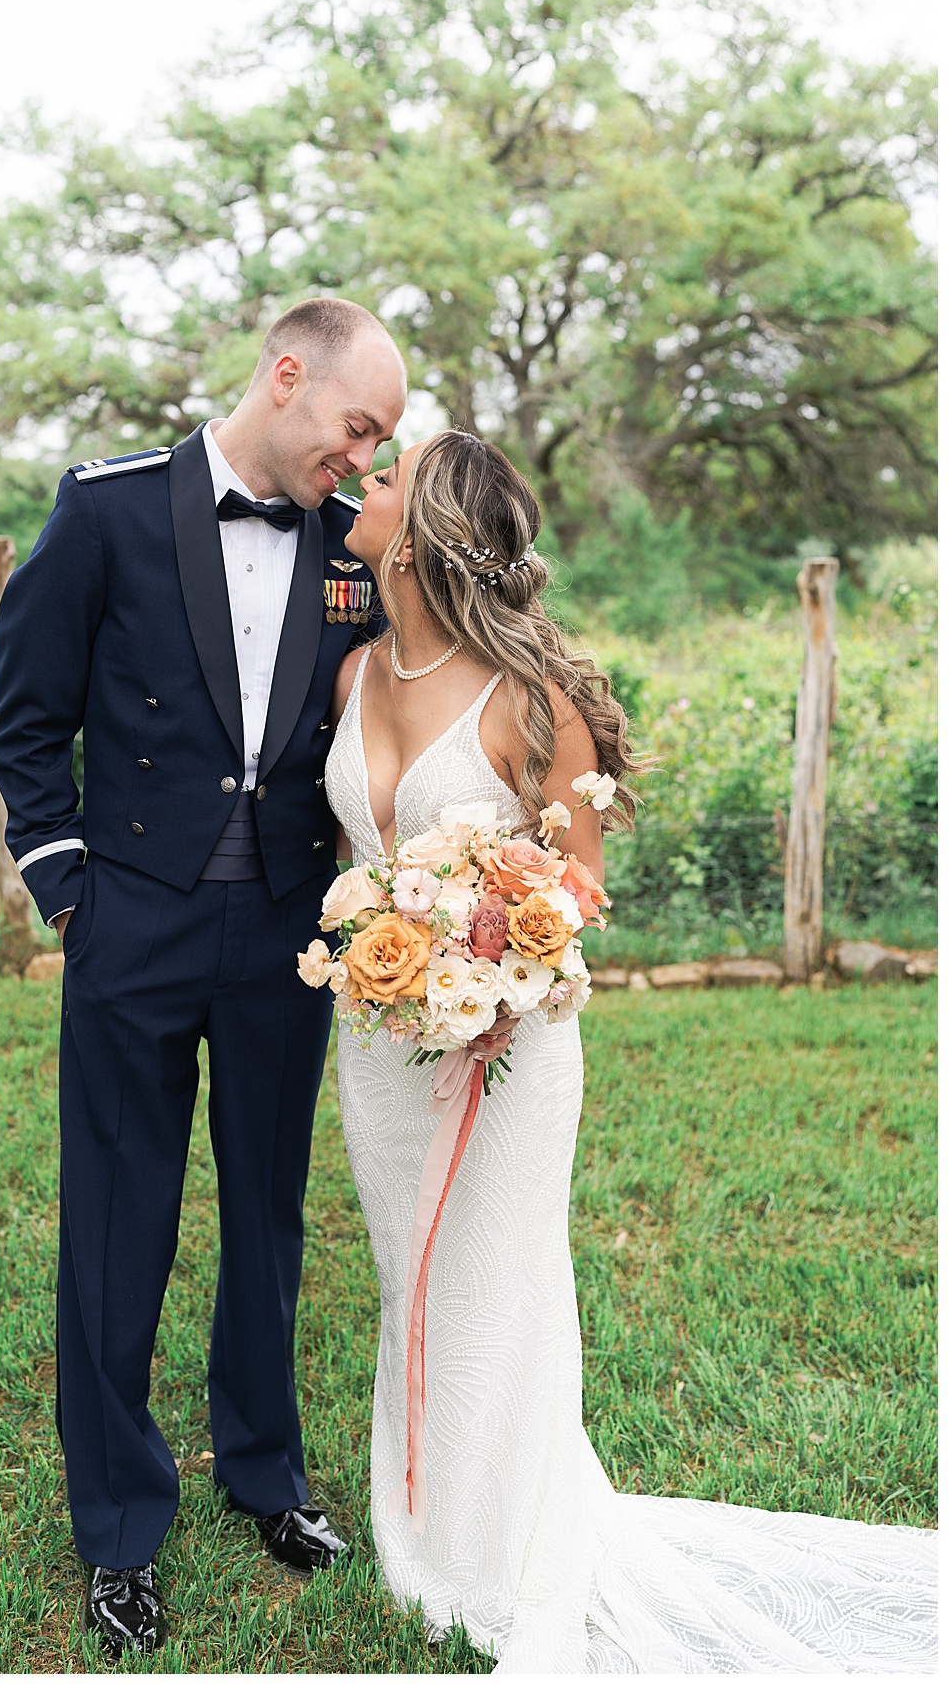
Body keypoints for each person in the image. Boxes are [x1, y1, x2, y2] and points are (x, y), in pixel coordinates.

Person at [324, 429, 937, 1673]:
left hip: (507, 1046)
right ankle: (426, 1527)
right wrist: (399, 959)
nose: (359, 487)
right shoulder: (350, 677)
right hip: (384, 1044)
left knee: (500, 1281)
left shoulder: (532, 705)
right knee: (413, 1281)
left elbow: (577, 896)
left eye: (383, 478)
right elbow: (356, 862)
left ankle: (510, 1551)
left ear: (431, 527)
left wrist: (486, 967)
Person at [0, 297, 407, 1657]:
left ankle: (265, 1469)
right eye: (357, 427)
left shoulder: (351, 540)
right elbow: (29, 717)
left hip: (284, 927)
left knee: (271, 1216)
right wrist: (69, 891)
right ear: (287, 377)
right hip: (134, 925)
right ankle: (118, 1523)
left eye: (383, 442)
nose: (361, 458)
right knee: (118, 1220)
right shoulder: (105, 509)